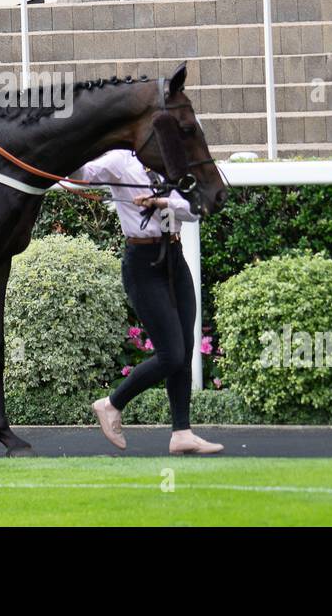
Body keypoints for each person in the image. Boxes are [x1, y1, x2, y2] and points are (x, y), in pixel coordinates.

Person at [63, 148, 223, 455]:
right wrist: (72, 145)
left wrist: (164, 202)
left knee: (185, 349)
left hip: (174, 258)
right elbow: (82, 177)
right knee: (171, 354)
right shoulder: (120, 161)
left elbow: (195, 208)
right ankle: (111, 404)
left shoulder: (174, 161)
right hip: (143, 263)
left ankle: (182, 433)